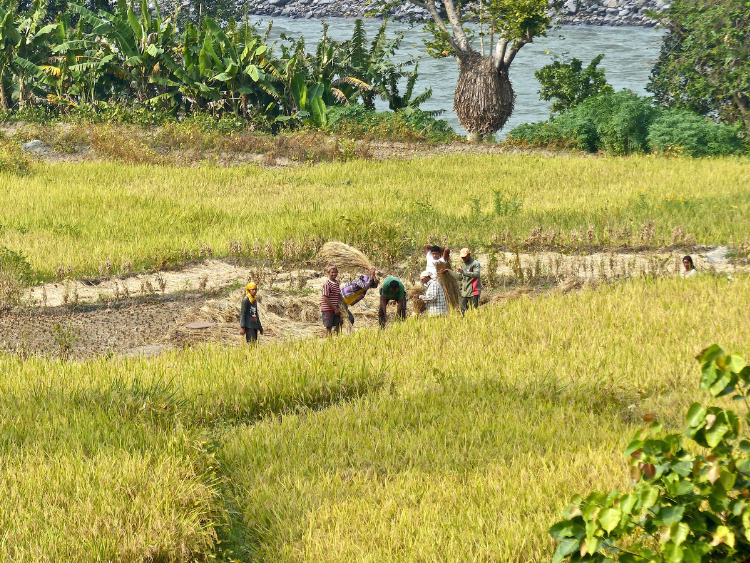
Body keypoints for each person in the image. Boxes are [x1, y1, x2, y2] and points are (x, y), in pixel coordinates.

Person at [455, 247, 481, 313]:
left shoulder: (475, 263)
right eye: (462, 257)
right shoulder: (463, 265)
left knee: (473, 311)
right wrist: (449, 272)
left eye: (465, 257)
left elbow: (477, 274)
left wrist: (464, 272)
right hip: (465, 292)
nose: (463, 259)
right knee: (462, 311)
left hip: (473, 291)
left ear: (469, 255)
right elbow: (460, 278)